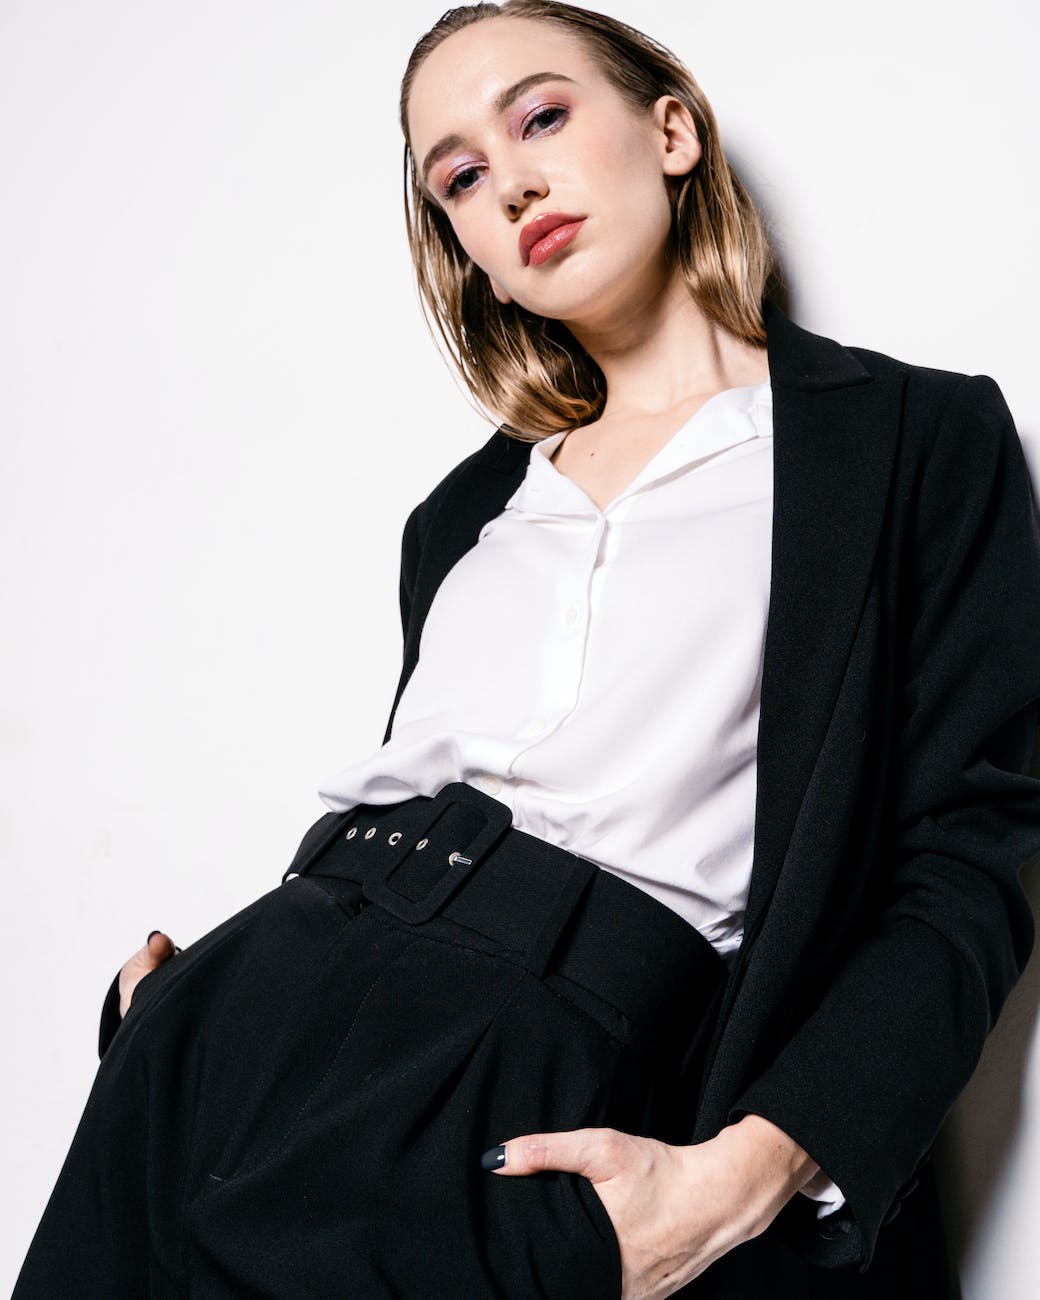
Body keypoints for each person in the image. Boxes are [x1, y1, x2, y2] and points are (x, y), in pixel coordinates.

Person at [14, 2, 1040, 1297]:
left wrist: (749, 1171)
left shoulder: (906, 442)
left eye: (541, 117)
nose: (511, 183)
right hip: (233, 1025)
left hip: (540, 1058)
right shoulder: (460, 518)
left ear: (670, 130)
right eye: (459, 177)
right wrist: (172, 1013)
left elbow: (960, 870)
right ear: (473, 257)